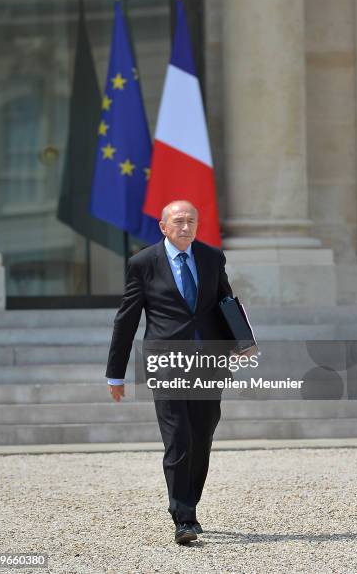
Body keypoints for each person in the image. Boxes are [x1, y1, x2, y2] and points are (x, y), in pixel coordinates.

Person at [106, 200, 234, 544]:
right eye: (179, 220)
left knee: (202, 436)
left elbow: (226, 302)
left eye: (192, 220)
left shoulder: (211, 258)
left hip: (208, 364)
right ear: (163, 226)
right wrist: (115, 374)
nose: (186, 226)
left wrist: (241, 342)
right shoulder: (143, 263)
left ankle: (188, 500)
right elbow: (127, 319)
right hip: (167, 366)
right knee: (178, 437)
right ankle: (184, 517)